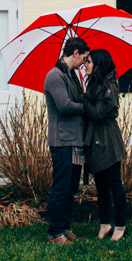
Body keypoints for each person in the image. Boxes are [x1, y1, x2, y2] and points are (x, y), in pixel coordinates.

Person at [44, 36, 90, 245]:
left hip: (75, 141)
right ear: (75, 53)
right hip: (62, 142)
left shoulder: (70, 75)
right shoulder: (55, 76)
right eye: (84, 57)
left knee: (71, 188)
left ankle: (64, 228)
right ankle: (54, 233)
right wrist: (86, 108)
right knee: (60, 188)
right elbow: (64, 106)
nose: (84, 62)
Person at [82, 48, 128, 241]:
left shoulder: (108, 86)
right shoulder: (95, 83)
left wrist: (83, 97)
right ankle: (105, 224)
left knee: (114, 184)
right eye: (84, 61)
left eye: (89, 62)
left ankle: (120, 225)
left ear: (99, 64)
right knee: (100, 186)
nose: (85, 64)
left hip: (108, 140)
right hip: (95, 140)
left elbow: (98, 113)